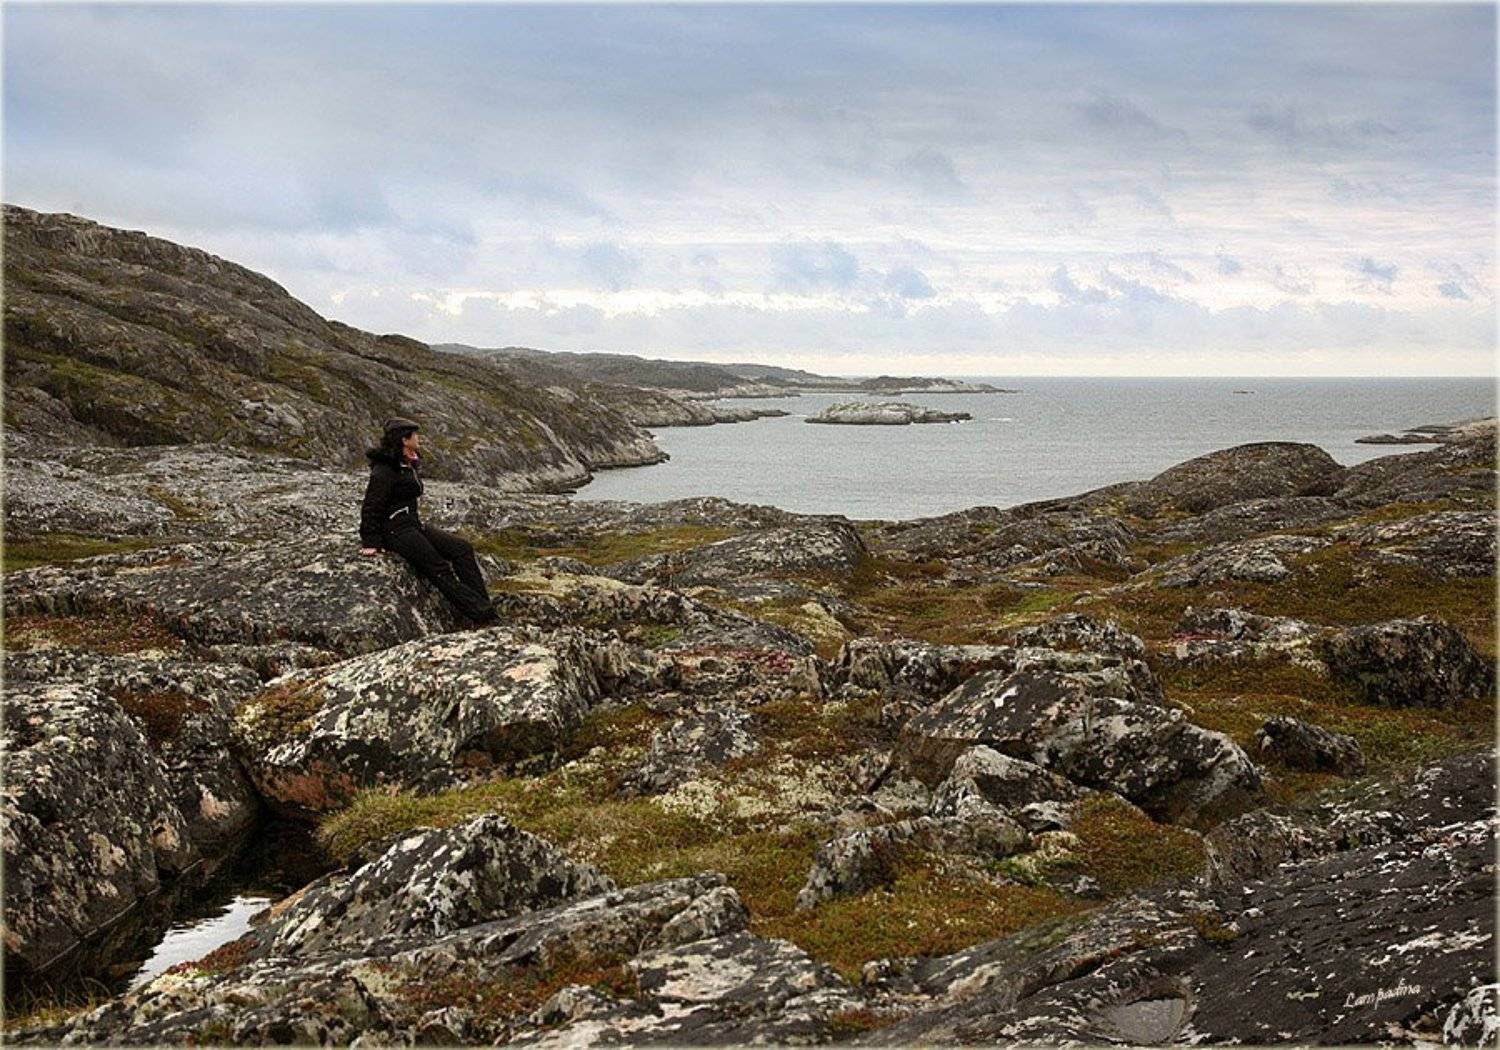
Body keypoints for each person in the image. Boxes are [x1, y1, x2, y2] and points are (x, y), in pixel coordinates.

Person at [359, 416, 498, 625]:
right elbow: (371, 505)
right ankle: (482, 615)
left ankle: (482, 604)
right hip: (396, 531)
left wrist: (413, 463)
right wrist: (371, 541)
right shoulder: (385, 469)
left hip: (412, 525)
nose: (419, 438)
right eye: (415, 435)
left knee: (462, 549)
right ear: (404, 440)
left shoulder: (406, 463)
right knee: (439, 568)